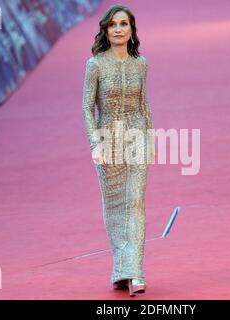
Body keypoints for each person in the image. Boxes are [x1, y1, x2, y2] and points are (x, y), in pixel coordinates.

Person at [81, 4, 155, 297]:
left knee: (135, 201)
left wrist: (151, 140)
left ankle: (135, 271)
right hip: (107, 137)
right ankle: (120, 268)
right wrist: (95, 144)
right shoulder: (95, 64)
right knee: (115, 206)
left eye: (124, 24)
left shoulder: (142, 64)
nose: (118, 29)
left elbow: (144, 104)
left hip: (136, 136)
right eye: (113, 25)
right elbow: (87, 107)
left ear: (132, 30)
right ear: (105, 30)